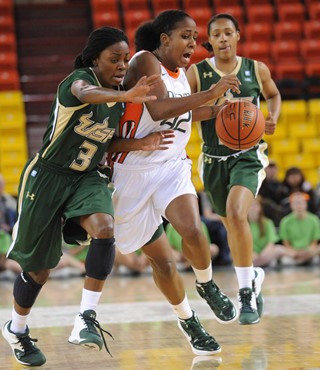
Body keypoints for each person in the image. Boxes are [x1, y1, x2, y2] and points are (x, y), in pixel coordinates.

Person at [1, 26, 171, 367]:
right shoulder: (78, 82)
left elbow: (104, 143)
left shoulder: (119, 94)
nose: (123, 65)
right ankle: (16, 328)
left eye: (125, 59)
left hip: (87, 177)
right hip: (47, 177)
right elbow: (86, 91)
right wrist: (125, 97)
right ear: (95, 59)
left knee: (104, 226)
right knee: (39, 271)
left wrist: (139, 143)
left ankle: (85, 318)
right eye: (114, 59)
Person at [108, 10, 241, 355]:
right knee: (163, 263)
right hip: (132, 172)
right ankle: (187, 319)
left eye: (196, 37)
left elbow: (183, 112)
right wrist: (211, 92)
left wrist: (221, 111)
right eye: (186, 35)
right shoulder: (144, 61)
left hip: (171, 166)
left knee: (193, 229)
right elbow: (160, 110)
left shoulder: (181, 73)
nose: (193, 43)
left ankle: (207, 285)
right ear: (164, 38)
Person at [187, 13, 281, 325]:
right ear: (209, 40)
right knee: (231, 224)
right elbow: (184, 113)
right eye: (217, 34)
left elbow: (274, 95)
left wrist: (272, 118)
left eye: (229, 32)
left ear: (238, 35)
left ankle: (245, 293)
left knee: (237, 213)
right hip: (213, 159)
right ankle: (251, 274)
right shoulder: (197, 72)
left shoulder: (256, 68)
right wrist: (216, 106)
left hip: (248, 154)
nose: (224, 38)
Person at [248, 196, 292, 268]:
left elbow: (271, 242)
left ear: (260, 207)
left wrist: (264, 253)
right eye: (251, 205)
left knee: (279, 249)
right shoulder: (242, 225)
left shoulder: (267, 222)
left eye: (255, 205)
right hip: (250, 255)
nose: (253, 208)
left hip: (265, 254)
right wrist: (251, 253)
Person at [279, 192, 320, 265]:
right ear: (291, 205)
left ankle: (304, 260)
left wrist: (308, 251)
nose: (299, 206)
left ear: (306, 204)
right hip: (293, 253)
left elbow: (315, 241)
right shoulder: (285, 221)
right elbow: (286, 242)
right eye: (296, 203)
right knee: (284, 258)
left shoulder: (314, 220)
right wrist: (295, 252)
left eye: (301, 203)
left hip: (310, 252)